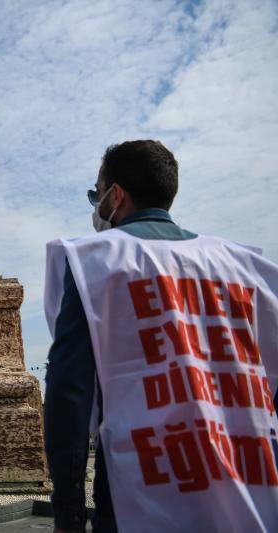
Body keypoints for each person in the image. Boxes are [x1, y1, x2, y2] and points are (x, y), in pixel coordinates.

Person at [44, 140, 278, 532]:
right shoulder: (247, 265)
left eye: (95, 193)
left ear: (115, 195)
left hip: (139, 488)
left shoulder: (96, 263)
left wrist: (68, 511)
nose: (96, 204)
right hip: (247, 487)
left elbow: (70, 391)